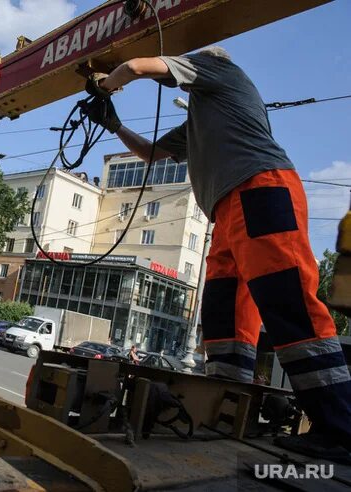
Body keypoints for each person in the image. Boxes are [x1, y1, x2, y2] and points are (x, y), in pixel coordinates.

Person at [89, 46, 351, 459]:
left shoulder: (219, 68)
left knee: (289, 305)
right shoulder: (203, 114)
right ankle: (224, 409)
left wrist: (102, 87)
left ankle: (340, 429)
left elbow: (137, 67)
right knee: (223, 316)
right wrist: (115, 124)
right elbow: (153, 154)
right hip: (229, 209)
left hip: (261, 191)